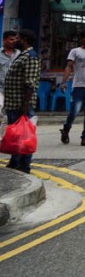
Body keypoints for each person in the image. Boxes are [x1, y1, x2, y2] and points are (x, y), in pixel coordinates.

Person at [4, 31, 41, 173]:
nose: (15, 40)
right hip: (14, 103)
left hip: (21, 104)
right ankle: (15, 162)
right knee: (16, 135)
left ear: (24, 40)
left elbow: (30, 83)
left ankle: (24, 165)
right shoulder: (22, 55)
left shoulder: (30, 57)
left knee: (24, 136)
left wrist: (25, 105)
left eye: (18, 38)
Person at [0, 30, 21, 117]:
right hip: (1, 89)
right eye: (11, 39)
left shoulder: (19, 54)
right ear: (4, 40)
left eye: (15, 39)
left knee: (10, 116)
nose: (14, 42)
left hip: (14, 91)